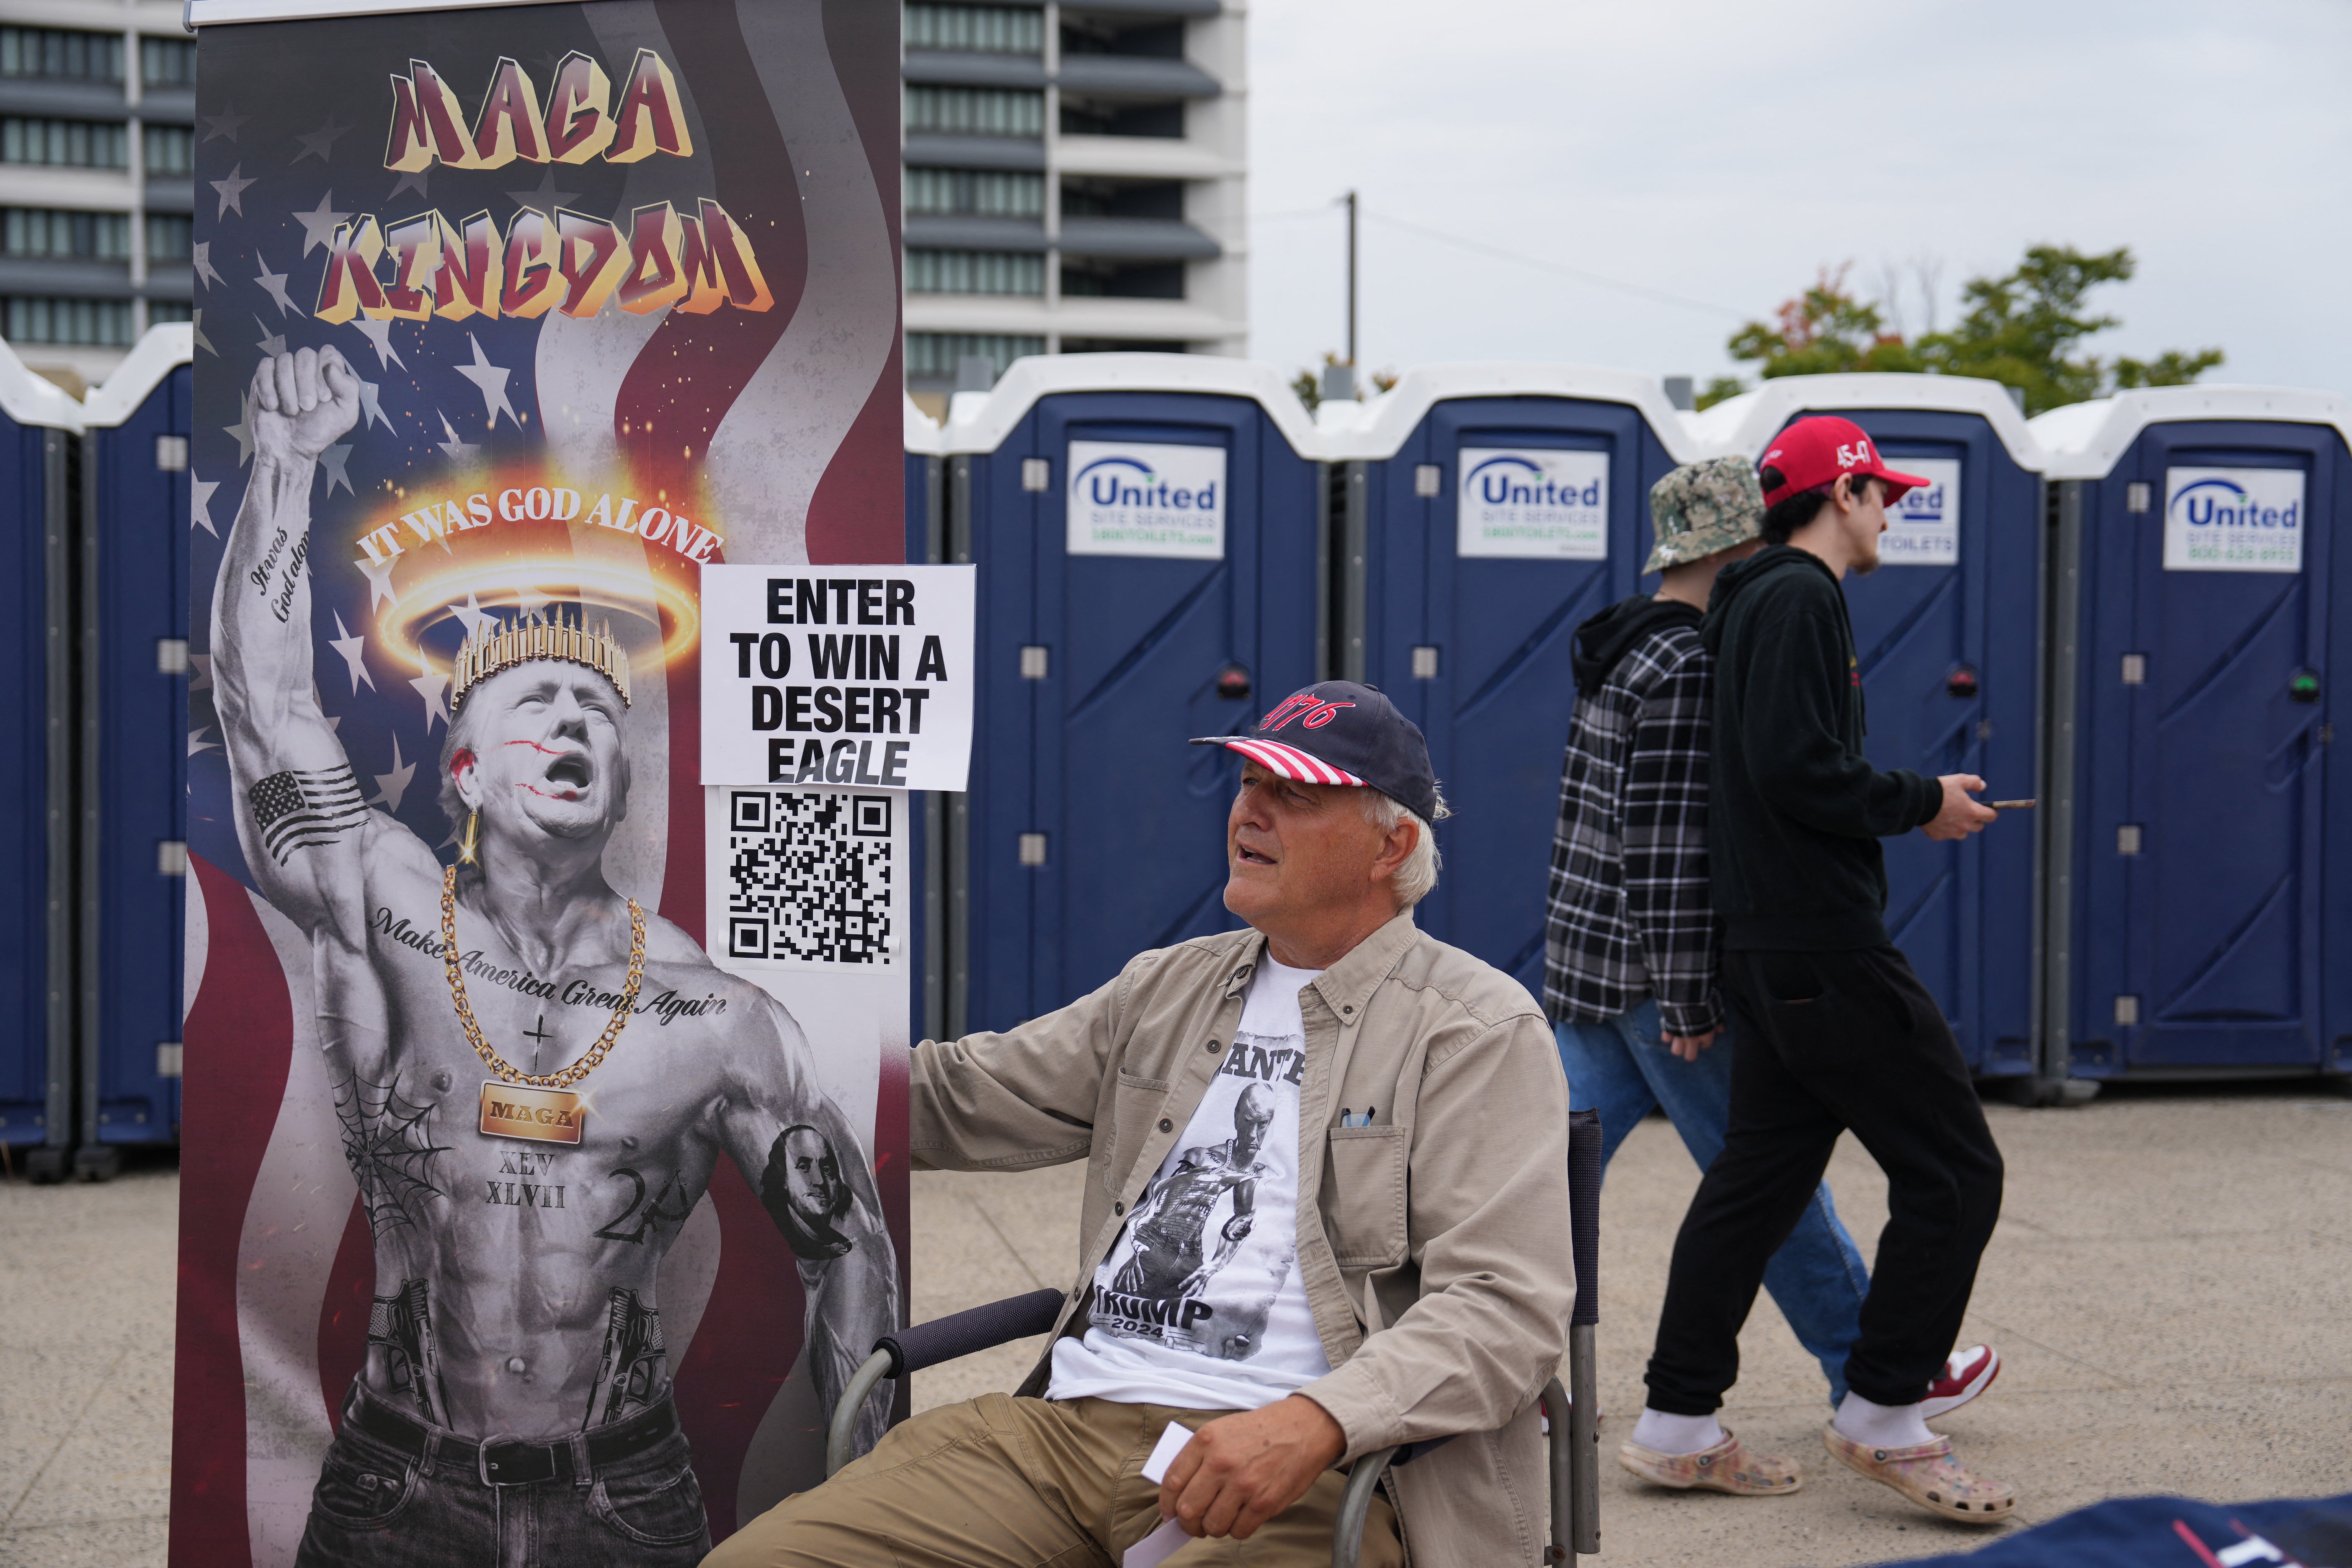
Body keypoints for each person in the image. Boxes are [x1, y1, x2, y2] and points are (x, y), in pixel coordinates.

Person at [212, 346, 899, 1567]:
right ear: (466, 770)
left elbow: (850, 1252)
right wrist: (282, 463)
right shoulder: (390, 907)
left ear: (618, 780)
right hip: (396, 1484)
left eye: (597, 711)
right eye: (534, 702)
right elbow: (266, 716)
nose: (576, 718)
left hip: (622, 1495)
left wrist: (866, 1486)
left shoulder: (715, 1016)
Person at [708, 681, 1576, 1568]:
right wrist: (741, 1068)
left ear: (1391, 846)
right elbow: (964, 1094)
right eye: (1249, 783)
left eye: (1296, 794)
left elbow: (1505, 1310)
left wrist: (1317, 1421)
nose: (1251, 810)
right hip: (1067, 1436)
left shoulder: (1473, 1030)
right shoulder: (1172, 986)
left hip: (1320, 1470)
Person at [1626, 418, 2013, 1524]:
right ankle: (1885, 1412)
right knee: (1955, 1173)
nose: (1891, 511)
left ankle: (1677, 1423)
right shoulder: (1800, 595)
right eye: (1881, 492)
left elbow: (1773, 768)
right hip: (1821, 943)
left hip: (1767, 944)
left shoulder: (1751, 599)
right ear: (1840, 493)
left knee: (1756, 1181)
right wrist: (1920, 801)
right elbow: (1798, 770)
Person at [1547, 456, 1875, 1416]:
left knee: (1537, 1194)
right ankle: (1872, 1369)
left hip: (1588, 971)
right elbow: (1666, 847)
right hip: (1659, 986)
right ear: (1739, 547)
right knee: (1769, 1183)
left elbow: (1589, 827)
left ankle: (1493, 1370)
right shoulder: (1691, 663)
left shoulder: (1619, 644)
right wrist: (1691, 997)